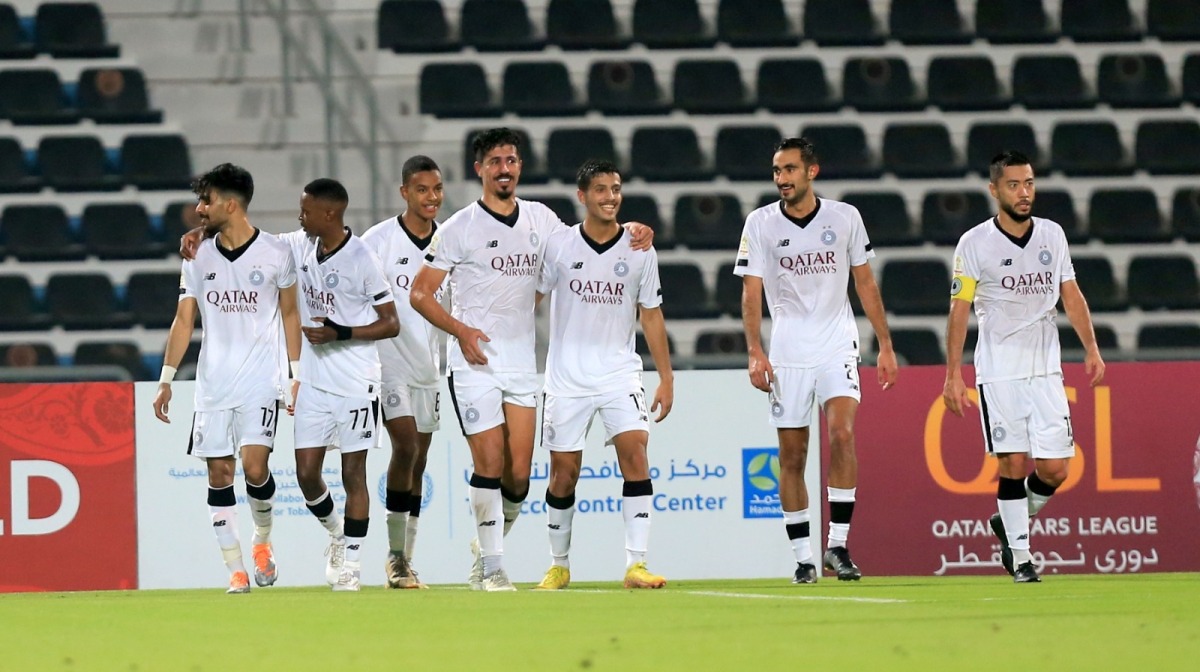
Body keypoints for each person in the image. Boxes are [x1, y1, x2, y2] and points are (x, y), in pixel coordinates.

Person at [410, 127, 653, 591]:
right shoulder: (460, 227)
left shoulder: (542, 221)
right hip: (474, 364)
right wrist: (460, 331)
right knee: (489, 459)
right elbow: (420, 293)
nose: (505, 169)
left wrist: (634, 231)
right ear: (479, 168)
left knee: (518, 478)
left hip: (522, 365)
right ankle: (493, 567)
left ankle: (487, 542)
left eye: (512, 160)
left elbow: (587, 241)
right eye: (496, 161)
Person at [735, 137, 899, 585]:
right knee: (793, 454)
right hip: (788, 352)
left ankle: (838, 545)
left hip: (836, 345)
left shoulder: (845, 218)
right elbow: (750, 293)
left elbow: (865, 283)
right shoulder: (761, 224)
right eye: (776, 171)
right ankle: (804, 557)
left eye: (789, 169)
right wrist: (755, 350)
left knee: (842, 434)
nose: (781, 178)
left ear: (812, 172)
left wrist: (884, 343)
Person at [943, 151, 1105, 584]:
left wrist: (1091, 348)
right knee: (1012, 462)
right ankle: (1021, 556)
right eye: (1014, 185)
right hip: (999, 371)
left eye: (1029, 183)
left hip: (1046, 370)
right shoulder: (974, 244)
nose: (1024, 192)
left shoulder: (1052, 235)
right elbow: (960, 310)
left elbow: (1070, 294)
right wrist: (952, 374)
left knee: (1056, 469)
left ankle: (1007, 520)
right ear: (994, 190)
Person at [152, 163, 302, 594]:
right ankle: (235, 569)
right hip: (213, 384)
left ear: (231, 204)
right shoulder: (197, 255)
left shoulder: (276, 253)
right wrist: (165, 379)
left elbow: (290, 313)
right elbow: (184, 320)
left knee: (255, 468)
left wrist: (295, 374)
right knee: (220, 473)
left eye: (207, 200)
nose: (199, 209)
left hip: (260, 381)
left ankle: (262, 541)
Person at [532, 160, 673, 591]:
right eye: (601, 190)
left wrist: (666, 377)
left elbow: (650, 315)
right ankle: (559, 564)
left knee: (636, 455)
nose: (610, 197)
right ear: (582, 196)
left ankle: (636, 565)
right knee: (563, 474)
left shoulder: (639, 249)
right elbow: (531, 300)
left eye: (615, 189)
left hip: (619, 374)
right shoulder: (559, 246)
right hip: (566, 380)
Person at [286, 178, 399, 592]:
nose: (300, 216)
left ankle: (351, 564)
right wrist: (202, 232)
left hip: (356, 381)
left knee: (354, 473)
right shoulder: (301, 244)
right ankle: (337, 531)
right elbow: (254, 241)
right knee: (306, 475)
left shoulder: (362, 258)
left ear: (329, 213)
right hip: (314, 383)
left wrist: (341, 333)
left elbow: (391, 322)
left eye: (306, 209)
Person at [361, 155, 446, 589]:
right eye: (421, 190)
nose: (431, 198)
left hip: (430, 368)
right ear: (404, 192)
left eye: (436, 189)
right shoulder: (377, 241)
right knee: (407, 448)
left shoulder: (449, 243)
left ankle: (406, 559)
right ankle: (393, 558)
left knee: (421, 460)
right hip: (388, 363)